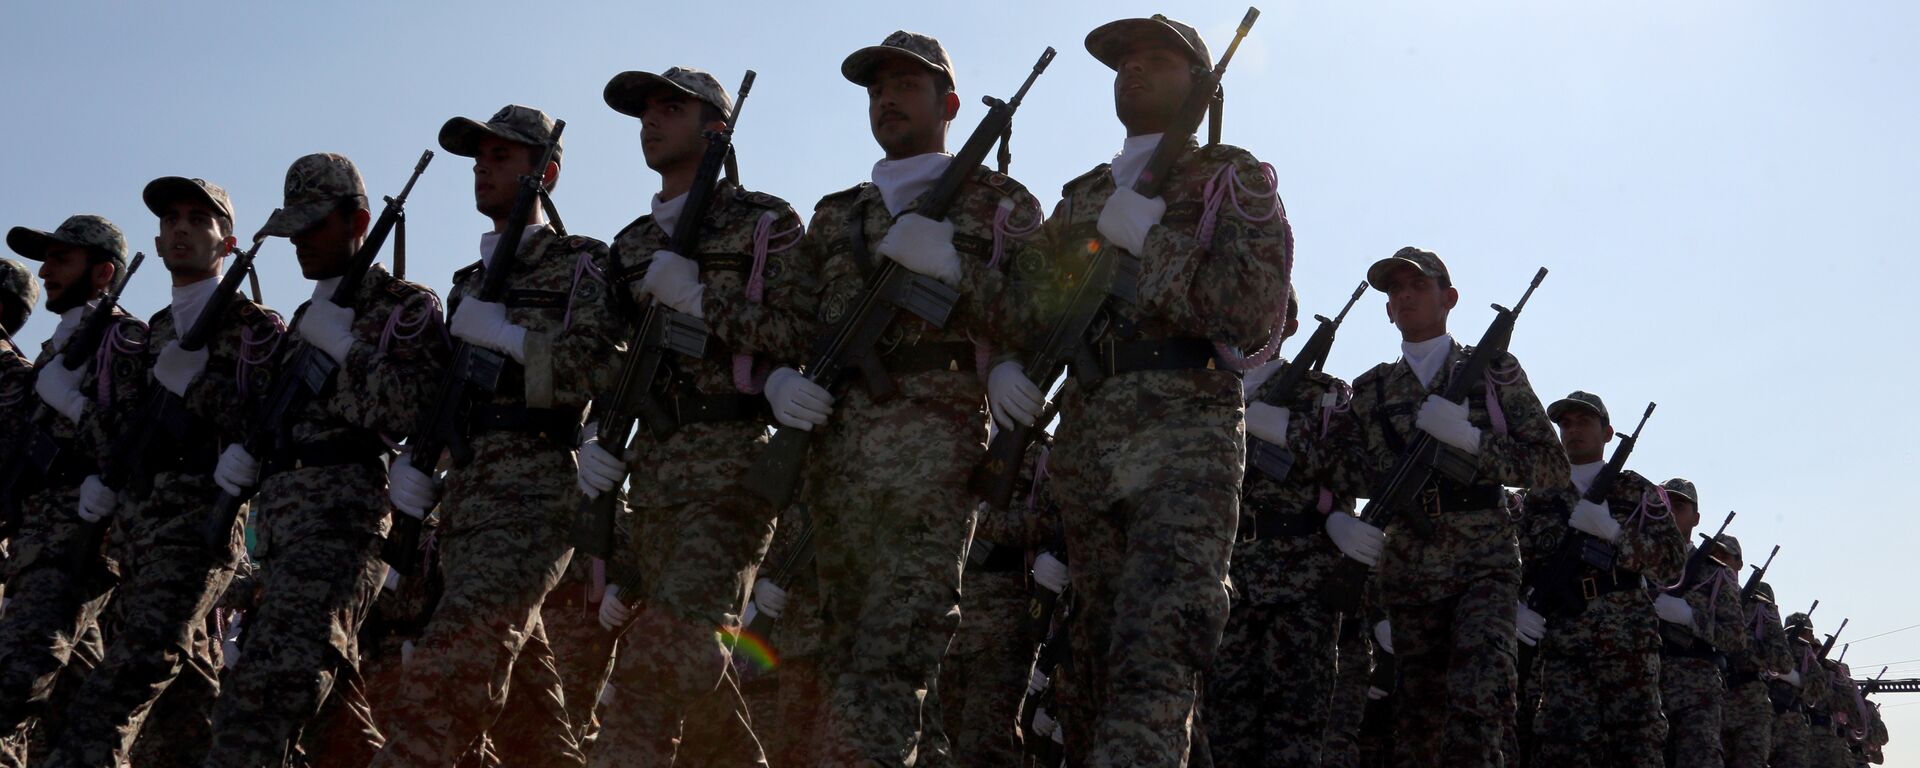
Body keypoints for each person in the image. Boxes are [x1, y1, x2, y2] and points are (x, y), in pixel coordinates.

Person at [767, 30, 1046, 764]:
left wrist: (957, 272)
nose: (886, 99)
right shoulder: (838, 216)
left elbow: (1039, 319)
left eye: (905, 86)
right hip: (835, 464)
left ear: (948, 104)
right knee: (838, 663)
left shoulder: (999, 203)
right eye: (875, 89)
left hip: (932, 456)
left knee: (891, 663)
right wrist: (775, 379)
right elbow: (789, 324)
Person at [373, 104, 618, 767]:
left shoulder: (580, 263)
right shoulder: (466, 285)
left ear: (547, 173)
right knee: (531, 727)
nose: (483, 167)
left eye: (503, 156)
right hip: (469, 503)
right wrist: (422, 466)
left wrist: (513, 339)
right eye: (479, 157)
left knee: (447, 676)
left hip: (533, 494)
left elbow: (599, 368)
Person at [579, 64, 808, 764]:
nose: (650, 121)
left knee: (659, 657)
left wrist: (704, 301)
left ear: (715, 127)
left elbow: (800, 331)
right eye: (646, 110)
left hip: (731, 469)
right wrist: (590, 434)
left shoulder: (765, 223)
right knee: (691, 661)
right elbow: (591, 358)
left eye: (669, 108)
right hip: (651, 477)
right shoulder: (628, 246)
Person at [201, 152, 450, 766]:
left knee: (263, 700)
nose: (300, 244)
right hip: (282, 534)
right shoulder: (307, 317)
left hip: (340, 525)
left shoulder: (403, 307)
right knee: (335, 728)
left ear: (357, 221)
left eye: (314, 227)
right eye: (294, 231)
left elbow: (412, 412)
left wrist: (346, 349)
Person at [43, 177, 281, 768]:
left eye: (199, 219)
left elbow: (272, 424)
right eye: (172, 217)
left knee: (122, 683)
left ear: (227, 243)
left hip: (201, 525)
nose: (181, 227)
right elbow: (121, 431)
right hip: (139, 530)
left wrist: (198, 387)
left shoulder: (254, 326)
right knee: (185, 710)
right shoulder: (151, 333)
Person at [1333, 246, 1569, 767]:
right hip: (1407, 575)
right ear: (1388, 310)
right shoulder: (1370, 389)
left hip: (1482, 566)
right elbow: (1346, 472)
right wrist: (1337, 519)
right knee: (1416, 722)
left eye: (1418, 285)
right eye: (1395, 290)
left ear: (1450, 298)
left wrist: (1469, 440)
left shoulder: (1492, 372)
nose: (1405, 295)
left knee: (1481, 705)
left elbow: (1549, 467)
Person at [0, 215, 142, 766]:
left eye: (62, 259)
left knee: (12, 688)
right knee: (74, 710)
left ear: (103, 272)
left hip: (77, 540)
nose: (46, 271)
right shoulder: (57, 347)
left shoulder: (121, 339)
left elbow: (133, 441)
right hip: (40, 540)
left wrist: (73, 403)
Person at [1204, 289, 1367, 768]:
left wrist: (1284, 430)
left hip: (1300, 580)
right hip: (1225, 579)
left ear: (1288, 328)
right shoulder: (1204, 392)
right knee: (1222, 732)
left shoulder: (1322, 395)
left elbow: (1355, 469)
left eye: (1267, 313)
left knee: (1294, 732)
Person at [1514, 391, 1682, 767]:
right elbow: (1512, 562)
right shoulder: (1538, 496)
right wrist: (1517, 606)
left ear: (1608, 433)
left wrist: (1615, 534)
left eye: (1583, 422)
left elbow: (1671, 564)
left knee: (1637, 745)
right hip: (1561, 644)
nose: (1573, 431)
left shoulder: (1637, 492)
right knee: (1564, 747)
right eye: (1566, 424)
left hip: (1628, 642)